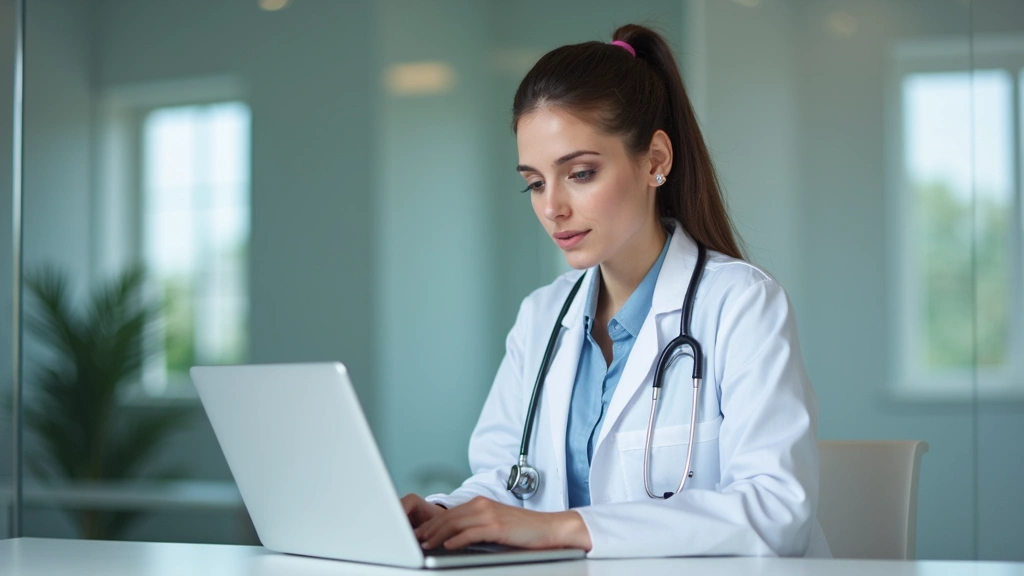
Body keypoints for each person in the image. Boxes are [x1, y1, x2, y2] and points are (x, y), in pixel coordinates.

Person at [401, 23, 831, 558]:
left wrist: (564, 528)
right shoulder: (541, 316)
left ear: (655, 161)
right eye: (534, 182)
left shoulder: (741, 304)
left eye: (579, 173)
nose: (551, 207)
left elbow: (776, 510)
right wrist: (443, 516)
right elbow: (507, 482)